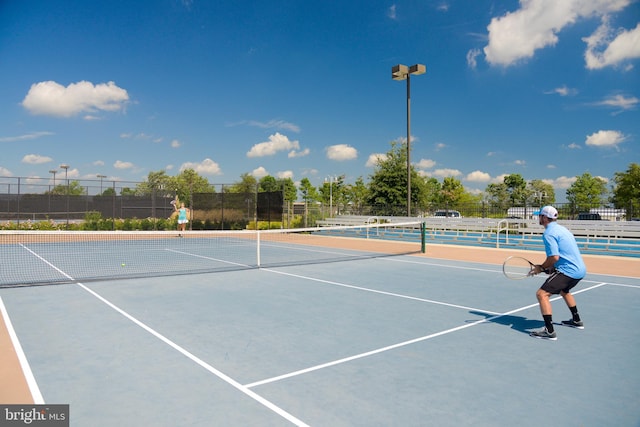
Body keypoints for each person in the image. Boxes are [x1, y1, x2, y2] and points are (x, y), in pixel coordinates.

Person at [529, 205, 586, 340]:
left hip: (568, 271)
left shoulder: (549, 233)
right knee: (564, 290)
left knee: (541, 294)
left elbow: (554, 257)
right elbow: (564, 254)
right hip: (580, 269)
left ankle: (549, 331)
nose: (538, 218)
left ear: (544, 217)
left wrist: (541, 267)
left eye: (540, 215)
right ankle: (576, 320)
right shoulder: (562, 229)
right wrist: (552, 268)